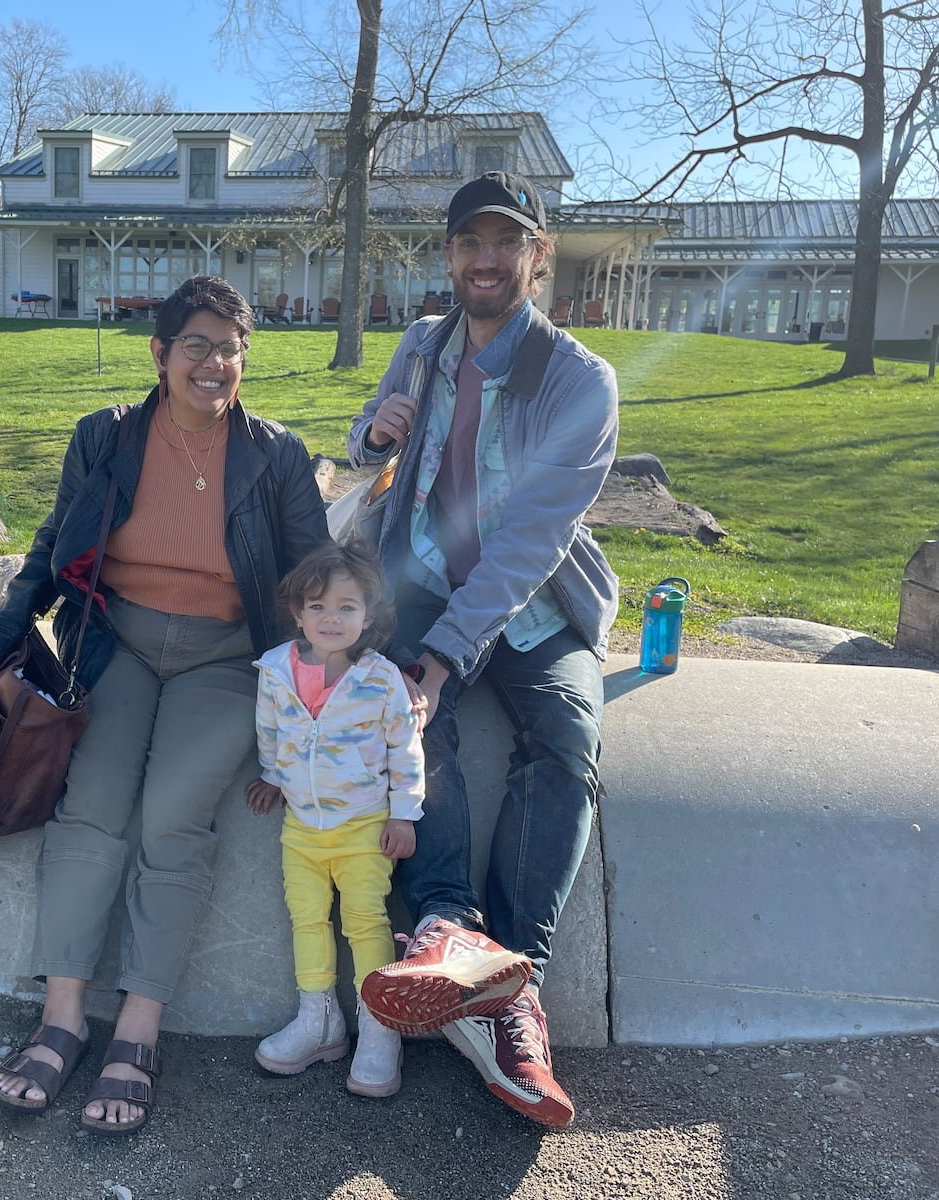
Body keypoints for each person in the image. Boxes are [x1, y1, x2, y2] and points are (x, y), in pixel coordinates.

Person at [0, 274, 330, 1135]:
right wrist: (4, 624)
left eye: (230, 349)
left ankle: (137, 1028)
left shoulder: (275, 455)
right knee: (91, 809)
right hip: (116, 643)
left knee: (171, 817)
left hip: (228, 660)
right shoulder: (106, 439)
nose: (214, 363)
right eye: (195, 345)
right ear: (159, 355)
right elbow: (54, 548)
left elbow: (313, 577)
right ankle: (60, 1018)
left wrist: (347, 677)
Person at [348, 171, 620, 1128]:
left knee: (567, 739)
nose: (487, 260)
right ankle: (445, 931)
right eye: (470, 243)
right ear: (450, 256)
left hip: (531, 600)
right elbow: (367, 447)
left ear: (537, 256)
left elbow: (527, 546)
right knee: (407, 721)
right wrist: (366, 431)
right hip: (418, 574)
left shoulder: (581, 383)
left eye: (508, 243)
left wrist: (445, 656)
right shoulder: (422, 343)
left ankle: (513, 991)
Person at [245, 541, 424, 1099]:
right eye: (318, 606)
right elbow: (269, 728)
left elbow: (406, 748)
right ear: (298, 613)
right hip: (301, 828)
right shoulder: (276, 669)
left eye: (347, 607)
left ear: (368, 617)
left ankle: (379, 1028)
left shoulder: (382, 678)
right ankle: (317, 1021)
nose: (331, 618)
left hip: (364, 828)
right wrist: (272, 775)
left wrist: (405, 814)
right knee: (306, 919)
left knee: (366, 922)